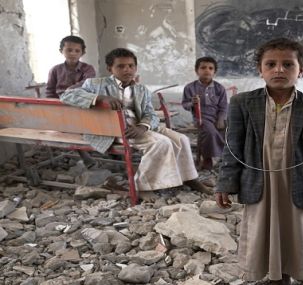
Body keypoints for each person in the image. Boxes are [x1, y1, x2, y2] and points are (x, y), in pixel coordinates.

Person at [214, 38, 303, 285]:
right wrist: (225, 184)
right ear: (261, 70)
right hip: (259, 182)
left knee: (298, 230)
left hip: (297, 183)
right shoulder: (243, 104)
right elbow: (232, 148)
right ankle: (278, 277)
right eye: (271, 64)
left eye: (287, 64)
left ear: (301, 69)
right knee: (263, 229)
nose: (279, 70)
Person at [61, 48, 212, 195]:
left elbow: (150, 114)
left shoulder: (141, 89)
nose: (127, 70)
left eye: (131, 66)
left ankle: (189, 178)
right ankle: (143, 186)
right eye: (121, 66)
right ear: (110, 68)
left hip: (138, 127)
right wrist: (101, 98)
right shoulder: (95, 84)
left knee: (182, 139)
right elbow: (67, 96)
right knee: (161, 143)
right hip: (114, 129)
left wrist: (142, 126)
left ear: (136, 67)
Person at [46, 35, 98, 167]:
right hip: (61, 106)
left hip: (82, 104)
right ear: (61, 51)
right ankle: (84, 155)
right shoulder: (55, 70)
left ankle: (108, 151)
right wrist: (52, 106)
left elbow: (87, 84)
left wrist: (69, 91)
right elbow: (50, 90)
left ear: (82, 52)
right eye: (69, 50)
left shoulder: (88, 69)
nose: (73, 53)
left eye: (77, 51)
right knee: (70, 128)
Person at [181, 57, 228, 170]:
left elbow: (223, 106)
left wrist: (221, 119)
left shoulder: (219, 88)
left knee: (231, 130)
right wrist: (192, 103)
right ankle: (208, 158)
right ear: (197, 71)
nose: (207, 70)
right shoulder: (190, 87)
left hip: (217, 116)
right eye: (203, 68)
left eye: (210, 68)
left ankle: (227, 156)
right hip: (201, 117)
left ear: (214, 72)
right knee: (210, 132)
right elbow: (185, 105)